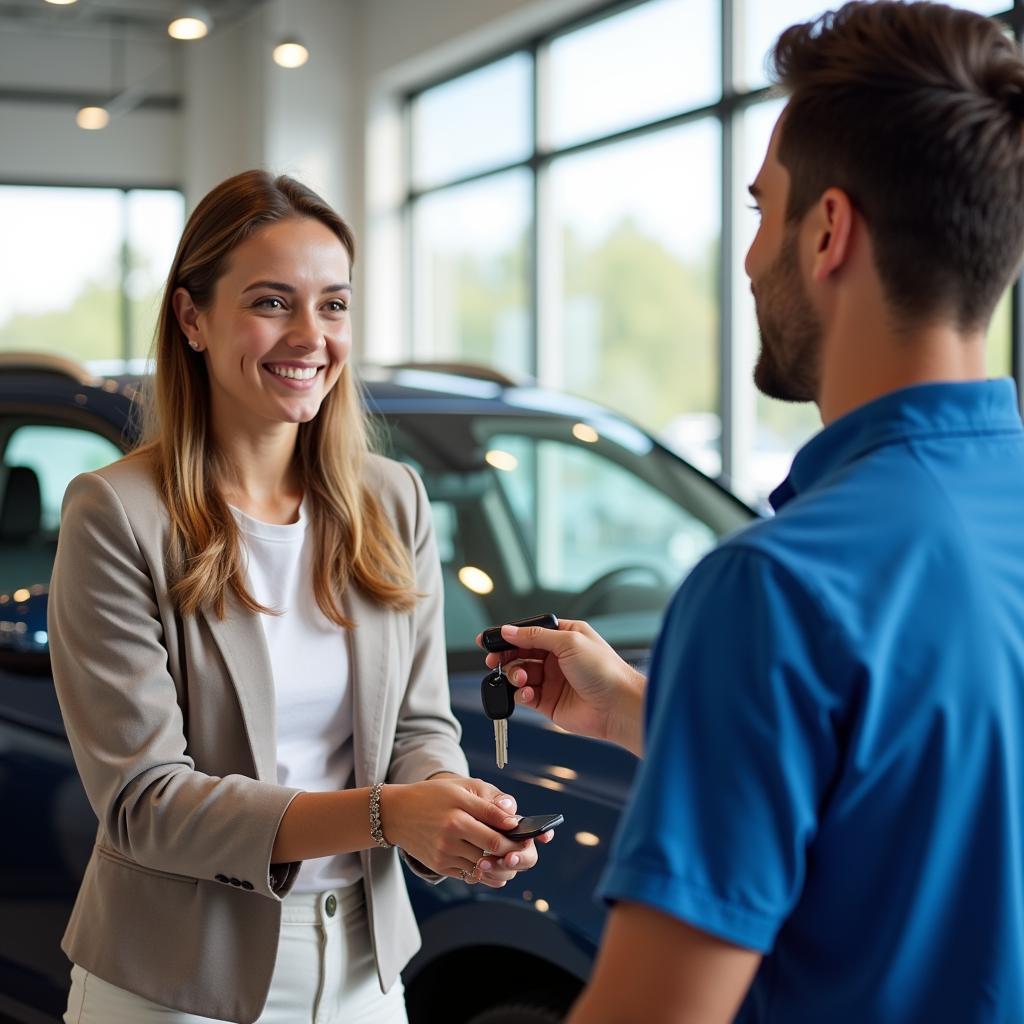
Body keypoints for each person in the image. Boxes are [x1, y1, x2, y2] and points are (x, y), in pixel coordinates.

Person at [484, 2, 1024, 1021]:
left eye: (759, 208)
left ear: (827, 231)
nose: (745, 259)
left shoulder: (777, 589)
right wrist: (649, 711)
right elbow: (931, 783)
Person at [49, 170, 549, 1024]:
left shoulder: (393, 499)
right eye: (273, 302)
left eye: (334, 304)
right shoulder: (116, 513)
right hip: (175, 982)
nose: (310, 335)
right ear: (193, 318)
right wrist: (394, 815)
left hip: (363, 968)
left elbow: (422, 728)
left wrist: (454, 816)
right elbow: (145, 803)